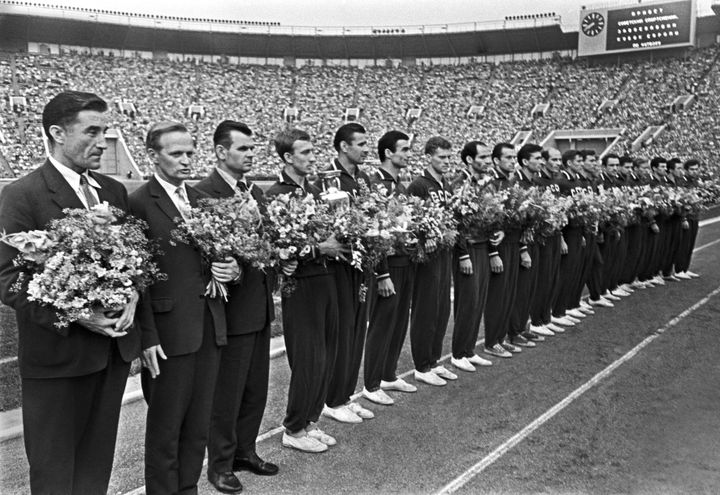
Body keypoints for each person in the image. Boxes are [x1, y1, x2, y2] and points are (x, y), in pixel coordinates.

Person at [0, 90, 140, 495]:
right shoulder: (22, 194)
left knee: (96, 468)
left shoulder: (113, 192)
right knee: (55, 473)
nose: (103, 141)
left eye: (106, 131)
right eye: (92, 131)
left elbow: (130, 260)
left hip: (109, 357)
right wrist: (79, 314)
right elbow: (9, 281)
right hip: (57, 361)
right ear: (57, 133)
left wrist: (131, 294)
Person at [130, 121, 240, 495]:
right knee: (165, 430)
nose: (186, 160)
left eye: (190, 152)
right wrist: (146, 336)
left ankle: (188, 488)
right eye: (176, 153)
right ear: (153, 156)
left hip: (209, 326)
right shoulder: (138, 203)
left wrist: (232, 268)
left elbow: (217, 260)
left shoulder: (200, 201)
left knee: (197, 425)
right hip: (167, 334)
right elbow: (136, 278)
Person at [194, 121, 278, 493]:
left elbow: (267, 241)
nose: (249, 154)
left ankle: (246, 449)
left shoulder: (254, 192)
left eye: (251, 149)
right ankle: (221, 463)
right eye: (242, 148)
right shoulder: (202, 194)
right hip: (231, 310)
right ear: (220, 152)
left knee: (255, 388)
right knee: (227, 391)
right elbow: (204, 258)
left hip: (259, 306)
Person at [265, 128, 345, 453]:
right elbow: (277, 246)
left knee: (327, 353)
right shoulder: (275, 194)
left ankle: (311, 421)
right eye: (306, 152)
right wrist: (317, 249)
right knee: (308, 357)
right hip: (301, 285)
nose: (313, 158)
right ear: (287, 157)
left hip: (326, 279)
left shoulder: (316, 190)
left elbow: (331, 234)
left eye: (313, 151)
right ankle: (293, 428)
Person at [319, 123, 375, 423]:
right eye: (362, 143)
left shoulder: (363, 177)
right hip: (338, 264)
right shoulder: (327, 179)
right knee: (340, 332)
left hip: (360, 262)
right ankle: (332, 399)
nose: (367, 148)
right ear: (344, 146)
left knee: (356, 329)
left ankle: (346, 394)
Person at [362, 130, 419, 405]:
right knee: (383, 322)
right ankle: (371, 385)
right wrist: (381, 272)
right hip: (388, 264)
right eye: (404, 149)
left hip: (404, 259)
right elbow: (375, 232)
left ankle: (388, 373)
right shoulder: (377, 183)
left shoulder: (399, 185)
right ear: (388, 152)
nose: (408, 154)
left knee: (398, 321)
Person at [406, 136, 458, 385]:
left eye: (449, 157)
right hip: (427, 256)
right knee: (426, 309)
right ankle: (421, 365)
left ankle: (433, 360)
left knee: (441, 309)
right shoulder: (419, 185)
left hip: (444, 252)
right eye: (442, 157)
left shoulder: (445, 184)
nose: (447, 161)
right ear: (429, 157)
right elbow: (412, 221)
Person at [448, 140, 494, 372]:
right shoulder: (460, 184)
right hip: (468, 249)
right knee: (467, 302)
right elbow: (455, 223)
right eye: (483, 157)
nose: (487, 161)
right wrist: (463, 254)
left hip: (483, 245)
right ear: (469, 159)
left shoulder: (487, 183)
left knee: (478, 300)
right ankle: (458, 353)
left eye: (488, 157)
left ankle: (469, 350)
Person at [483, 142, 526, 358]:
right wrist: (493, 251)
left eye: (514, 157)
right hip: (498, 244)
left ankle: (501, 337)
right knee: (497, 295)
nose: (512, 161)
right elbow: (489, 219)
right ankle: (491, 341)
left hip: (512, 242)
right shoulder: (490, 182)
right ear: (496, 160)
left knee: (509, 292)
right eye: (508, 157)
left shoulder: (512, 180)